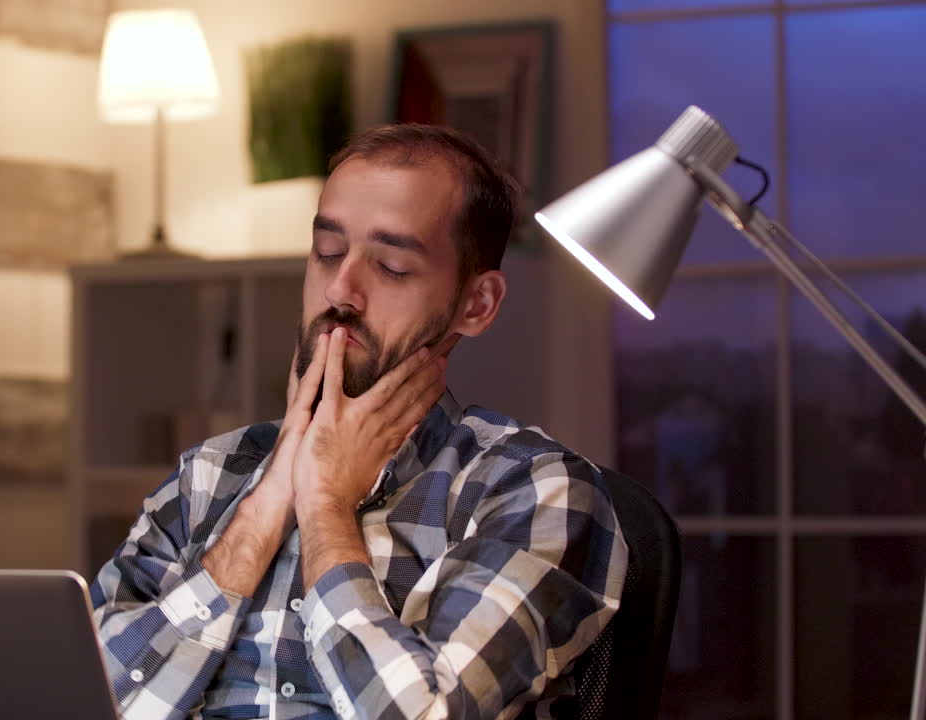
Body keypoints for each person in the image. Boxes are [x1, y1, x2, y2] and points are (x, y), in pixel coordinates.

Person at [91, 124, 628, 719]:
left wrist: (324, 504)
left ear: (477, 304)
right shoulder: (208, 476)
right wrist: (269, 502)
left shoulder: (531, 490)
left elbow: (423, 713)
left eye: (392, 266)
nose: (341, 289)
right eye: (326, 252)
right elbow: (83, 695)